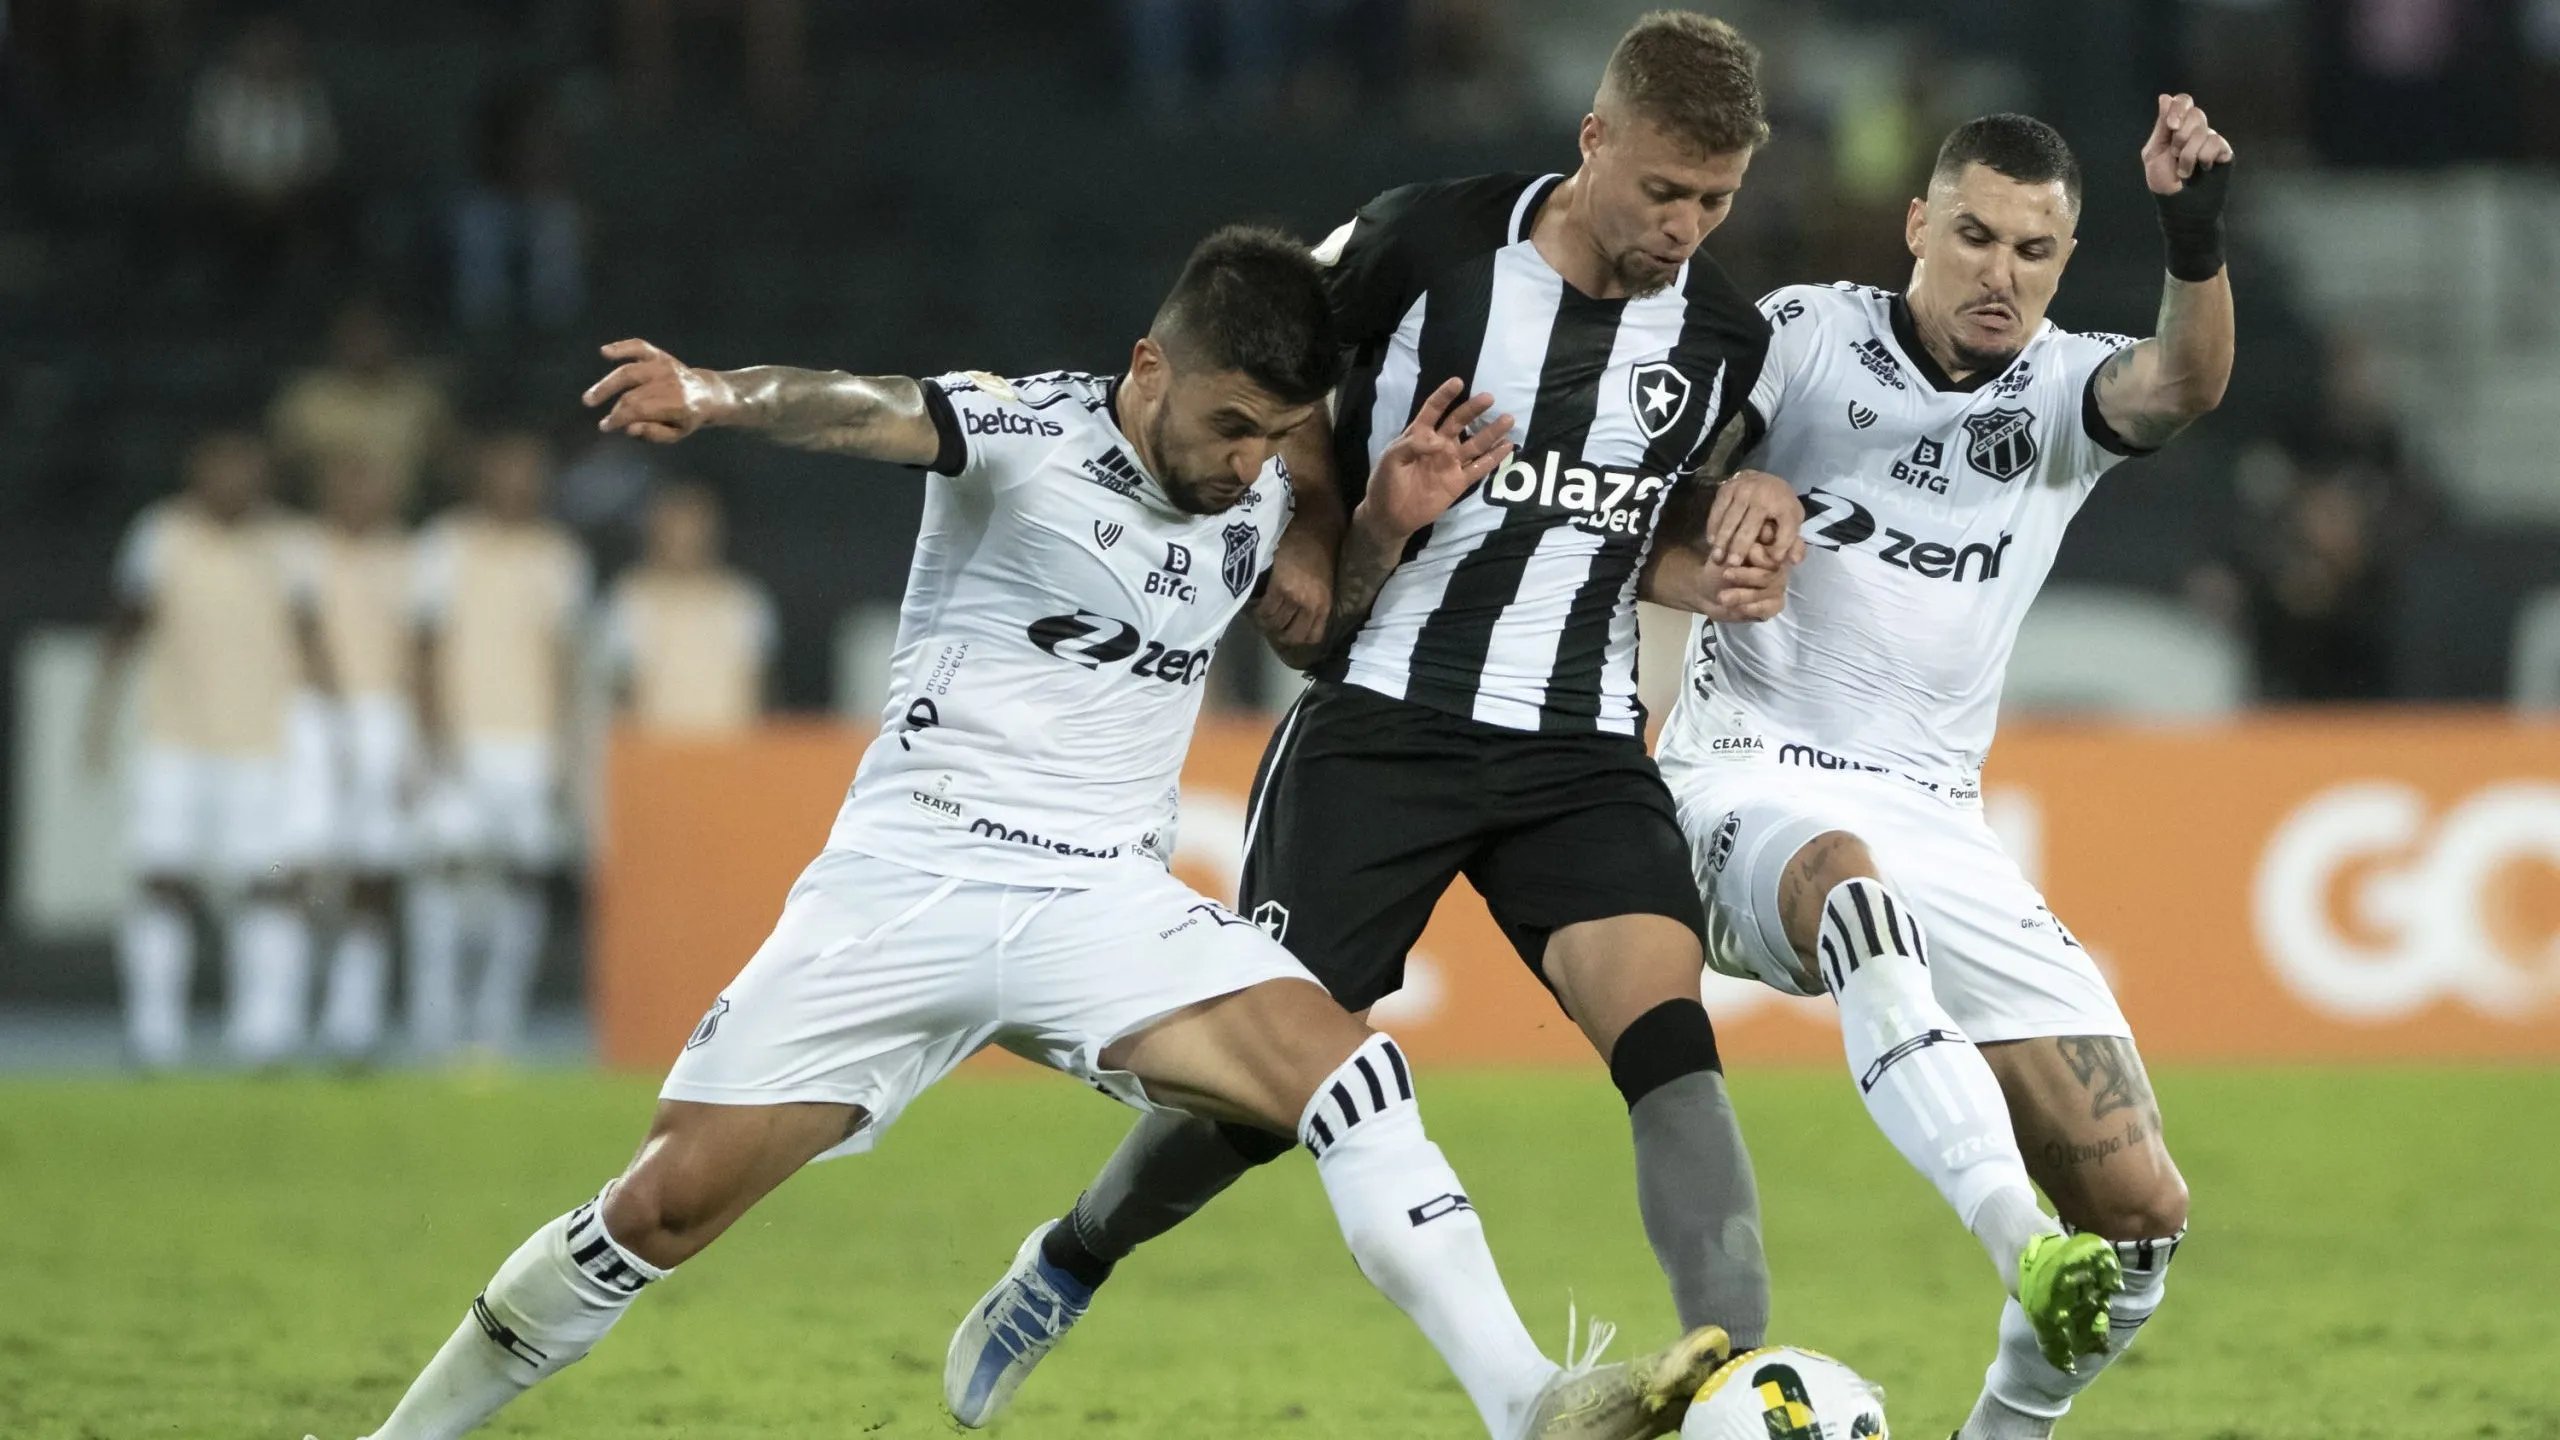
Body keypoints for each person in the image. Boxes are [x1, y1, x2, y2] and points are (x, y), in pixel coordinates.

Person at [331, 227, 1726, 1440]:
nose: (1247, 463)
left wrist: (1380, 528)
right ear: (1149, 367)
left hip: (1100, 904)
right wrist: (714, 394)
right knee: (662, 1208)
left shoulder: (1253, 499)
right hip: (911, 878)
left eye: (1272, 436)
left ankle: (1528, 1402)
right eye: (1230, 424)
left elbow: (1316, 638)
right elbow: (862, 410)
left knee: (1356, 1083)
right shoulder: (1028, 431)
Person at [945, 13, 1803, 1423]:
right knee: (1261, 1101)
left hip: (1579, 747)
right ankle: (1071, 1255)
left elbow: (1654, 510)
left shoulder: (1721, 336)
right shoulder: (1422, 244)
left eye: (1716, 202)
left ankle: (1746, 1383)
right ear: (1594, 142)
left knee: (1670, 1045)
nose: (1685, 228)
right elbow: (1260, 376)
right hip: (1384, 724)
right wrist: (1338, 526)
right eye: (1662, 191)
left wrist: (1744, 527)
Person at [1643, 102, 2235, 1439]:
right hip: (1747, 780)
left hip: (1937, 822)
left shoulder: (2057, 394)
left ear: (2066, 257)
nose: (1998, 273)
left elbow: (2184, 385)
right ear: (1917, 226)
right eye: (1972, 235)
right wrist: (1725, 504)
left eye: (2033, 250)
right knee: (1854, 891)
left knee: (2143, 1221)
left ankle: (2004, 1428)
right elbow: (1636, 489)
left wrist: (2192, 236)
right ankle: (2016, 1233)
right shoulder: (1800, 340)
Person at [86, 430, 329, 1068]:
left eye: (247, 468)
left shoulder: (290, 544)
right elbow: (126, 625)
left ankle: (265, 1035)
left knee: (271, 883)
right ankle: (153, 1034)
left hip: (263, 748)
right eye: (223, 467)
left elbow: (312, 641)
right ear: (197, 471)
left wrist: (332, 736)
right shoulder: (158, 533)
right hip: (176, 743)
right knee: (161, 878)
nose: (235, 482)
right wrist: (99, 714)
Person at [407, 432, 591, 1062]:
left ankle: (495, 1023)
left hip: (531, 743)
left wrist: (567, 747)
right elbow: (423, 650)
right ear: (481, 475)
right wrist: (429, 737)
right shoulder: (443, 544)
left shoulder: (559, 555)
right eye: (507, 468)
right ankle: (435, 1022)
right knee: (446, 874)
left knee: (520, 880)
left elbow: (565, 661)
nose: (519, 482)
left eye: (529, 470)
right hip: (461, 739)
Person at [293, 453, 417, 1061]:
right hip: (311, 724)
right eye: (351, 480)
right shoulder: (301, 550)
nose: (363, 496)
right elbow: (299, 631)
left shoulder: (410, 556)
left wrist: (415, 740)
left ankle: (353, 1023)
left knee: (374, 876)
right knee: (300, 872)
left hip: (387, 720)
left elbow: (420, 648)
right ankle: (280, 1017)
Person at [599, 482, 776, 735]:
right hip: (656, 752)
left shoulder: (742, 599)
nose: (685, 538)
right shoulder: (630, 596)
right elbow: (617, 689)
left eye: (694, 528)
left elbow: (759, 688)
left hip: (729, 751)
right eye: (675, 528)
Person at [269, 298, 455, 516]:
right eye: (356, 334)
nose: (365, 342)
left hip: (403, 530)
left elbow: (450, 465)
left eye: (374, 333)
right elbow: (277, 471)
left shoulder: (419, 398)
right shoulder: (307, 398)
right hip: (319, 529)